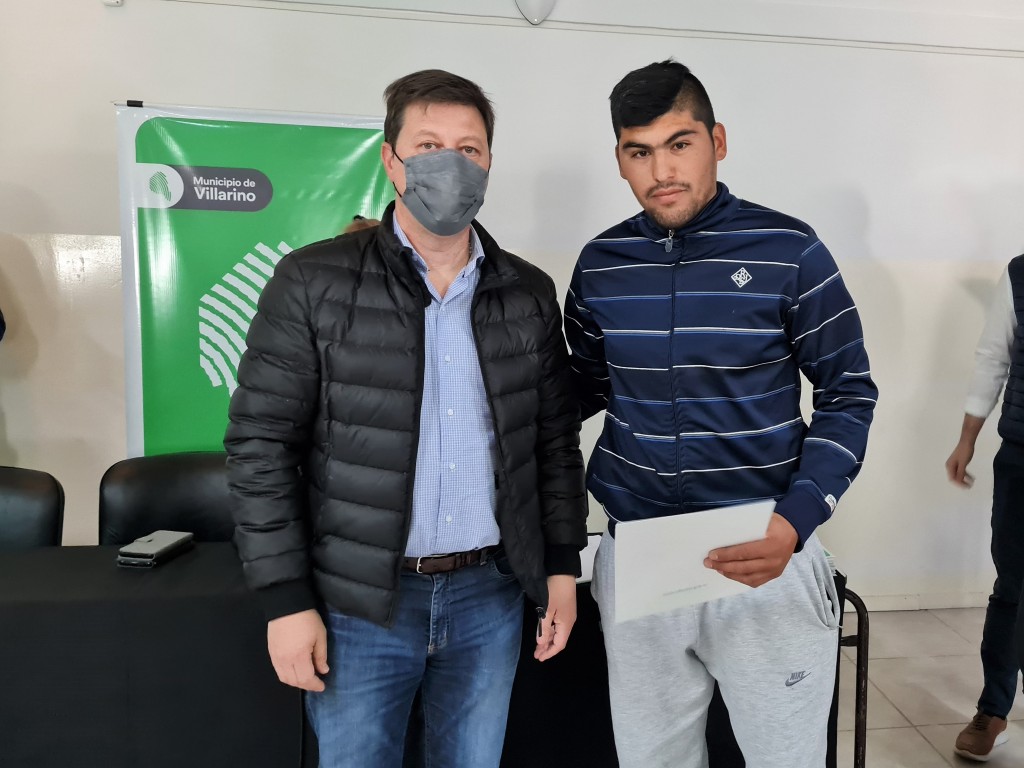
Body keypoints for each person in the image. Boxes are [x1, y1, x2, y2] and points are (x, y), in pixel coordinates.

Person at [225, 69, 587, 768]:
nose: (451, 163)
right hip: (360, 604)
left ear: (489, 163)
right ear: (392, 161)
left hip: (489, 597)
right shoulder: (313, 281)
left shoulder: (528, 293)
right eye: (428, 145)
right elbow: (260, 446)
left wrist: (562, 568)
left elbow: (553, 443)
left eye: (469, 149)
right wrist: (285, 599)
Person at [565, 60, 877, 768]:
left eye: (680, 144)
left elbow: (848, 392)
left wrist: (796, 519)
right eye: (639, 152)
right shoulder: (601, 265)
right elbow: (581, 389)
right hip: (640, 556)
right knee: (653, 760)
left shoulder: (790, 250)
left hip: (763, 550)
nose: (661, 171)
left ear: (718, 141)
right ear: (619, 158)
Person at [945, 256, 1024, 761]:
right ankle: (994, 709)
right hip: (1021, 455)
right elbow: (993, 357)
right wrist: (967, 439)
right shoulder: (1020, 274)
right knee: (1011, 586)